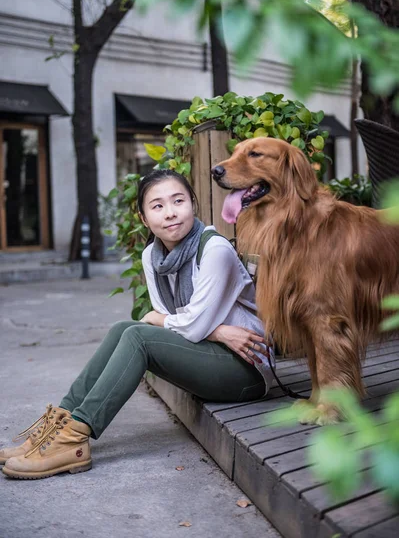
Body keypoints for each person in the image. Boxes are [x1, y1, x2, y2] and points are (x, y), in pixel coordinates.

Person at [0, 169, 275, 480]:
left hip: (247, 370)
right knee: (123, 329)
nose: (170, 213)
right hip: (210, 352)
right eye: (157, 206)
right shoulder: (152, 258)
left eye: (178, 201)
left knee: (138, 338)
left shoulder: (214, 250)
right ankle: (60, 426)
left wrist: (184, 324)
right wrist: (219, 331)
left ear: (193, 205)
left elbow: (169, 322)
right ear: (144, 218)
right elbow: (176, 322)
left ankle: (73, 440)